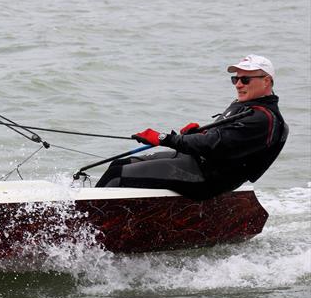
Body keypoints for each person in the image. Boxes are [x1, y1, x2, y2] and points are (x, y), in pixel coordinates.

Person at [96, 54, 288, 200]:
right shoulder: (250, 105)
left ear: (266, 81)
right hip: (196, 162)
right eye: (235, 79)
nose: (238, 84)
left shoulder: (263, 119)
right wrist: (200, 132)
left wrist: (165, 139)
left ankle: (79, 232)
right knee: (119, 164)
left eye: (245, 80)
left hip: (206, 178)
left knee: (116, 176)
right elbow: (223, 137)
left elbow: (215, 144)